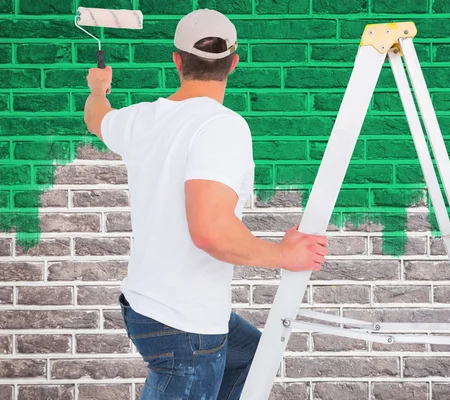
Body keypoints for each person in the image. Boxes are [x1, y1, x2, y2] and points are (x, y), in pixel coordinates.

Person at [83, 9, 328, 400]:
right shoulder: (222, 126)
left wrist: (98, 89)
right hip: (185, 325)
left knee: (251, 358)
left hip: (146, 306)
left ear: (177, 60)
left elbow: (97, 118)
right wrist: (285, 255)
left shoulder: (140, 119)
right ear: (234, 62)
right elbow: (210, 231)